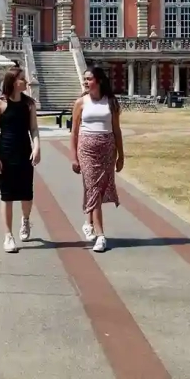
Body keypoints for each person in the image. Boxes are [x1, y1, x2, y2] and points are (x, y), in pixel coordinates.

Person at [69, 66, 124, 253]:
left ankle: (88, 222)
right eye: (85, 79)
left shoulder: (111, 102)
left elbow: (117, 130)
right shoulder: (80, 102)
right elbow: (74, 131)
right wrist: (73, 157)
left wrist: (121, 156)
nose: (86, 82)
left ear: (99, 80)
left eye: (89, 79)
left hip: (107, 148)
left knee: (98, 189)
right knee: (93, 188)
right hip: (86, 149)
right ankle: (101, 236)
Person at [0, 66, 40, 253]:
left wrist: (37, 147)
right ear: (13, 82)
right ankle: (8, 236)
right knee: (7, 195)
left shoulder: (29, 104)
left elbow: (33, 128)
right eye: (22, 79)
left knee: (27, 194)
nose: (26, 82)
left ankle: (25, 220)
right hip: (6, 151)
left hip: (25, 150)